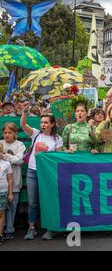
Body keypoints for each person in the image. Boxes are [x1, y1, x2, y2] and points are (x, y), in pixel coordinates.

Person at [20, 102, 63, 240]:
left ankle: (51, 228)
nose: (43, 124)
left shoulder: (57, 139)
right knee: (33, 202)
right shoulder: (35, 134)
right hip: (32, 172)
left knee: (49, 201)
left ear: (52, 124)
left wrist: (68, 152)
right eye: (41, 122)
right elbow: (22, 125)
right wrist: (25, 111)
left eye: (46, 122)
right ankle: (31, 228)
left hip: (48, 175)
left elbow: (59, 158)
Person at [0, 123, 26, 240]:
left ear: (15, 133)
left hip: (14, 182)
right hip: (1, 184)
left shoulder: (20, 145)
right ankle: (2, 228)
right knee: (2, 209)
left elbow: (19, 160)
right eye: (5, 133)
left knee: (11, 207)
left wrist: (5, 156)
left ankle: (9, 230)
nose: (7, 135)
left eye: (10, 132)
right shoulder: (1, 144)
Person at [0, 143, 13, 245]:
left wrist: (10, 193)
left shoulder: (6, 164)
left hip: (2, 192)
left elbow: (10, 179)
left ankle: (0, 235)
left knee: (1, 213)